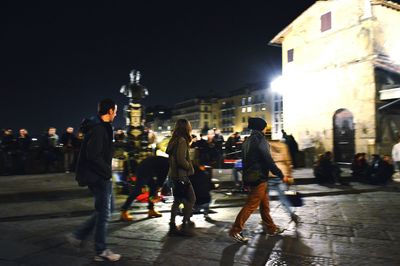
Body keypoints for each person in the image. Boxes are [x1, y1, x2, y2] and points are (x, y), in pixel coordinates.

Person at [67, 98, 121, 262]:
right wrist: (107, 170)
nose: (116, 114)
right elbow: (93, 155)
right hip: (98, 176)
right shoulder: (99, 129)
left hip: (98, 174)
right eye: (116, 111)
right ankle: (101, 250)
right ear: (110, 111)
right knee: (104, 213)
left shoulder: (100, 126)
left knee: (107, 209)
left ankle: (78, 235)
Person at [229, 117, 286, 244]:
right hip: (259, 177)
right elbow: (268, 160)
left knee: (265, 205)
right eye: (265, 127)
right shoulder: (261, 140)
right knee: (251, 205)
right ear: (262, 127)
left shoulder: (247, 141)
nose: (266, 129)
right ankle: (235, 230)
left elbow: (244, 162)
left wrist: (245, 180)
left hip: (251, 176)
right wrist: (280, 173)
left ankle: (271, 228)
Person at [166, 119, 196, 236]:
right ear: (185, 128)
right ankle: (185, 224)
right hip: (181, 175)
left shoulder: (173, 140)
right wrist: (190, 167)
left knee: (177, 200)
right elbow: (181, 160)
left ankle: (172, 224)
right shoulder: (182, 140)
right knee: (191, 199)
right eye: (189, 125)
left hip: (173, 175)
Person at [120, 156, 169, 221]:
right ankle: (124, 211)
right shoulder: (169, 164)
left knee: (153, 188)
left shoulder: (168, 162)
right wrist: (159, 186)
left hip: (149, 170)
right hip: (144, 170)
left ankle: (151, 210)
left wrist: (158, 187)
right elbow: (162, 176)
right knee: (138, 190)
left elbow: (161, 176)